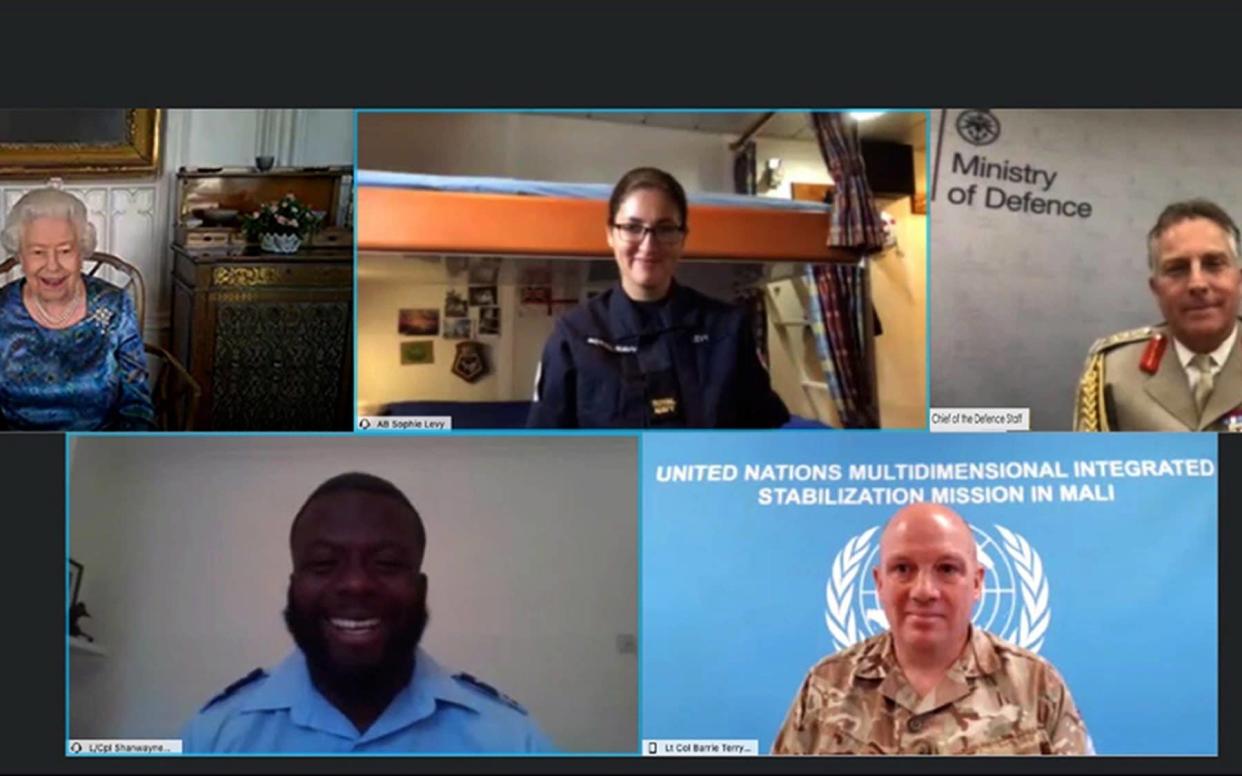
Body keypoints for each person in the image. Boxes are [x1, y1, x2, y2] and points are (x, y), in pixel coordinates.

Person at [181, 473, 555, 753]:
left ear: (421, 589)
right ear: (294, 587)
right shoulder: (213, 738)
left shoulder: (513, 742)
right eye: (325, 563)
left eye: (387, 563)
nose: (356, 585)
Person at [773, 503, 1090, 755]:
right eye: (902, 569)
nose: (924, 591)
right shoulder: (826, 685)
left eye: (947, 569)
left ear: (977, 583)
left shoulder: (1035, 685)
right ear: (879, 583)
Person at [526, 167, 790, 428]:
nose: (649, 245)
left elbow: (762, 438)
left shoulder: (728, 330)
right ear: (610, 234)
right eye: (632, 227)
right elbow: (547, 450)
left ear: (683, 237)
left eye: (665, 229)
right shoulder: (574, 335)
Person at [1074, 199, 1242, 431]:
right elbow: (1091, 464)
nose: (1197, 283)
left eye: (1213, 264)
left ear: (1239, 278)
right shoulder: (1114, 370)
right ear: (1156, 289)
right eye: (1177, 269)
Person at [0, 187, 153, 430]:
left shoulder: (114, 306)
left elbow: (137, 405)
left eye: (65, 251)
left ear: (81, 251)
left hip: (99, 452)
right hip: (18, 454)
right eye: (38, 252)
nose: (53, 266)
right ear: (20, 256)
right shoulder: (2, 311)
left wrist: (128, 457)